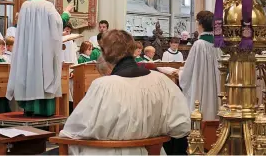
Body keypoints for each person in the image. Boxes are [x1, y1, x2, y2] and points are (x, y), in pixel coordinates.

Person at [59, 30, 191, 155]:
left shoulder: (103, 86)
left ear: (106, 53)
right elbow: (181, 127)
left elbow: (73, 131)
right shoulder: (162, 81)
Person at [7, 0, 73, 117]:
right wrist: (66, 13)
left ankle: (29, 109)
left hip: (28, 51)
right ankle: (42, 113)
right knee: (43, 77)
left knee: (29, 76)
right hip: (42, 52)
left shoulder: (25, 5)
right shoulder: (47, 6)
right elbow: (58, 23)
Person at [179, 10, 221, 120]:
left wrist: (179, 73)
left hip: (200, 87)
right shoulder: (218, 45)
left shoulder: (199, 45)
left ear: (201, 24)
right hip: (216, 88)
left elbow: (187, 74)